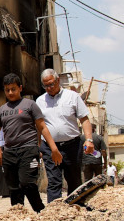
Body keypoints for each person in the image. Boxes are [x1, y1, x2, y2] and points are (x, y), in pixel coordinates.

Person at [0, 73, 56, 212]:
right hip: (9, 153)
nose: (10, 92)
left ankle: (40, 211)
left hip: (28, 150)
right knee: (13, 188)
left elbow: (42, 127)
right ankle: (17, 216)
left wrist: (53, 148)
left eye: (13, 89)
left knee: (27, 183)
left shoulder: (30, 105)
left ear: (20, 88)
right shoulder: (2, 110)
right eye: (7, 89)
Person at [36, 69, 92, 202]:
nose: (49, 88)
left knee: (74, 180)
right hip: (50, 147)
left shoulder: (72, 96)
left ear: (58, 81)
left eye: (51, 84)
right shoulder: (40, 101)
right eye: (46, 86)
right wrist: (39, 146)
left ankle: (75, 207)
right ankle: (54, 212)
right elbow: (39, 126)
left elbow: (84, 119)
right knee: (54, 181)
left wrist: (89, 139)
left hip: (72, 146)